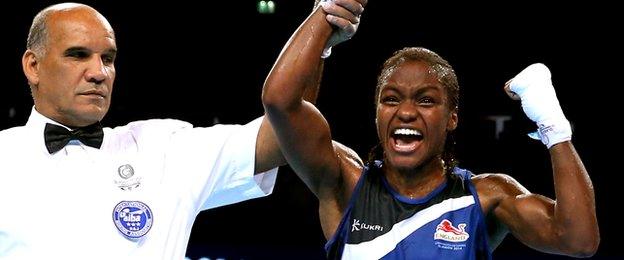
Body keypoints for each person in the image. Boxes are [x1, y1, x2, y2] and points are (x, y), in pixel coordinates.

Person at [0, 1, 363, 259]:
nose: (99, 72)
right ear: (33, 66)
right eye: (78, 55)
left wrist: (321, 32)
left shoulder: (162, 148)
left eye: (108, 58)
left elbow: (281, 135)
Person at [261, 1, 600, 259]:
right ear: (377, 114)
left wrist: (553, 127)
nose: (406, 112)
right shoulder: (344, 183)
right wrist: (324, 20)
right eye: (391, 100)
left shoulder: (486, 198)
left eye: (425, 101)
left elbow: (578, 240)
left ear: (452, 118)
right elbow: (281, 103)